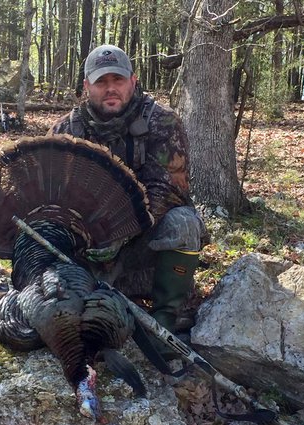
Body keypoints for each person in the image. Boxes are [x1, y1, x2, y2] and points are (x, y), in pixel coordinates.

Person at [48, 44, 207, 353]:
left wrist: (120, 233)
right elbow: (53, 201)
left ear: (133, 81)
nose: (111, 89)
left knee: (185, 222)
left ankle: (166, 322)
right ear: (86, 86)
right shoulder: (65, 131)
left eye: (118, 80)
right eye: (101, 81)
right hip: (87, 251)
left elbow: (168, 190)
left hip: (141, 249)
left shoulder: (161, 122)